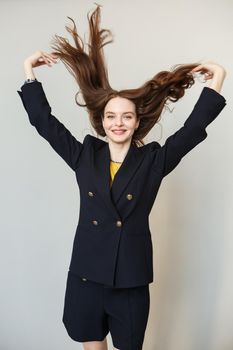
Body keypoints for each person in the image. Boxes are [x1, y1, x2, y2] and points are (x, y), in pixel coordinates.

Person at [17, 4, 227, 350]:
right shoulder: (85, 155)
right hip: (87, 274)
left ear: (136, 122)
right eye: (111, 116)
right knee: (91, 344)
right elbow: (46, 125)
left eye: (126, 117)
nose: (118, 123)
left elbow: (192, 130)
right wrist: (28, 71)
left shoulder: (153, 160)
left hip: (130, 278)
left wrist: (218, 76)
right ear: (101, 122)